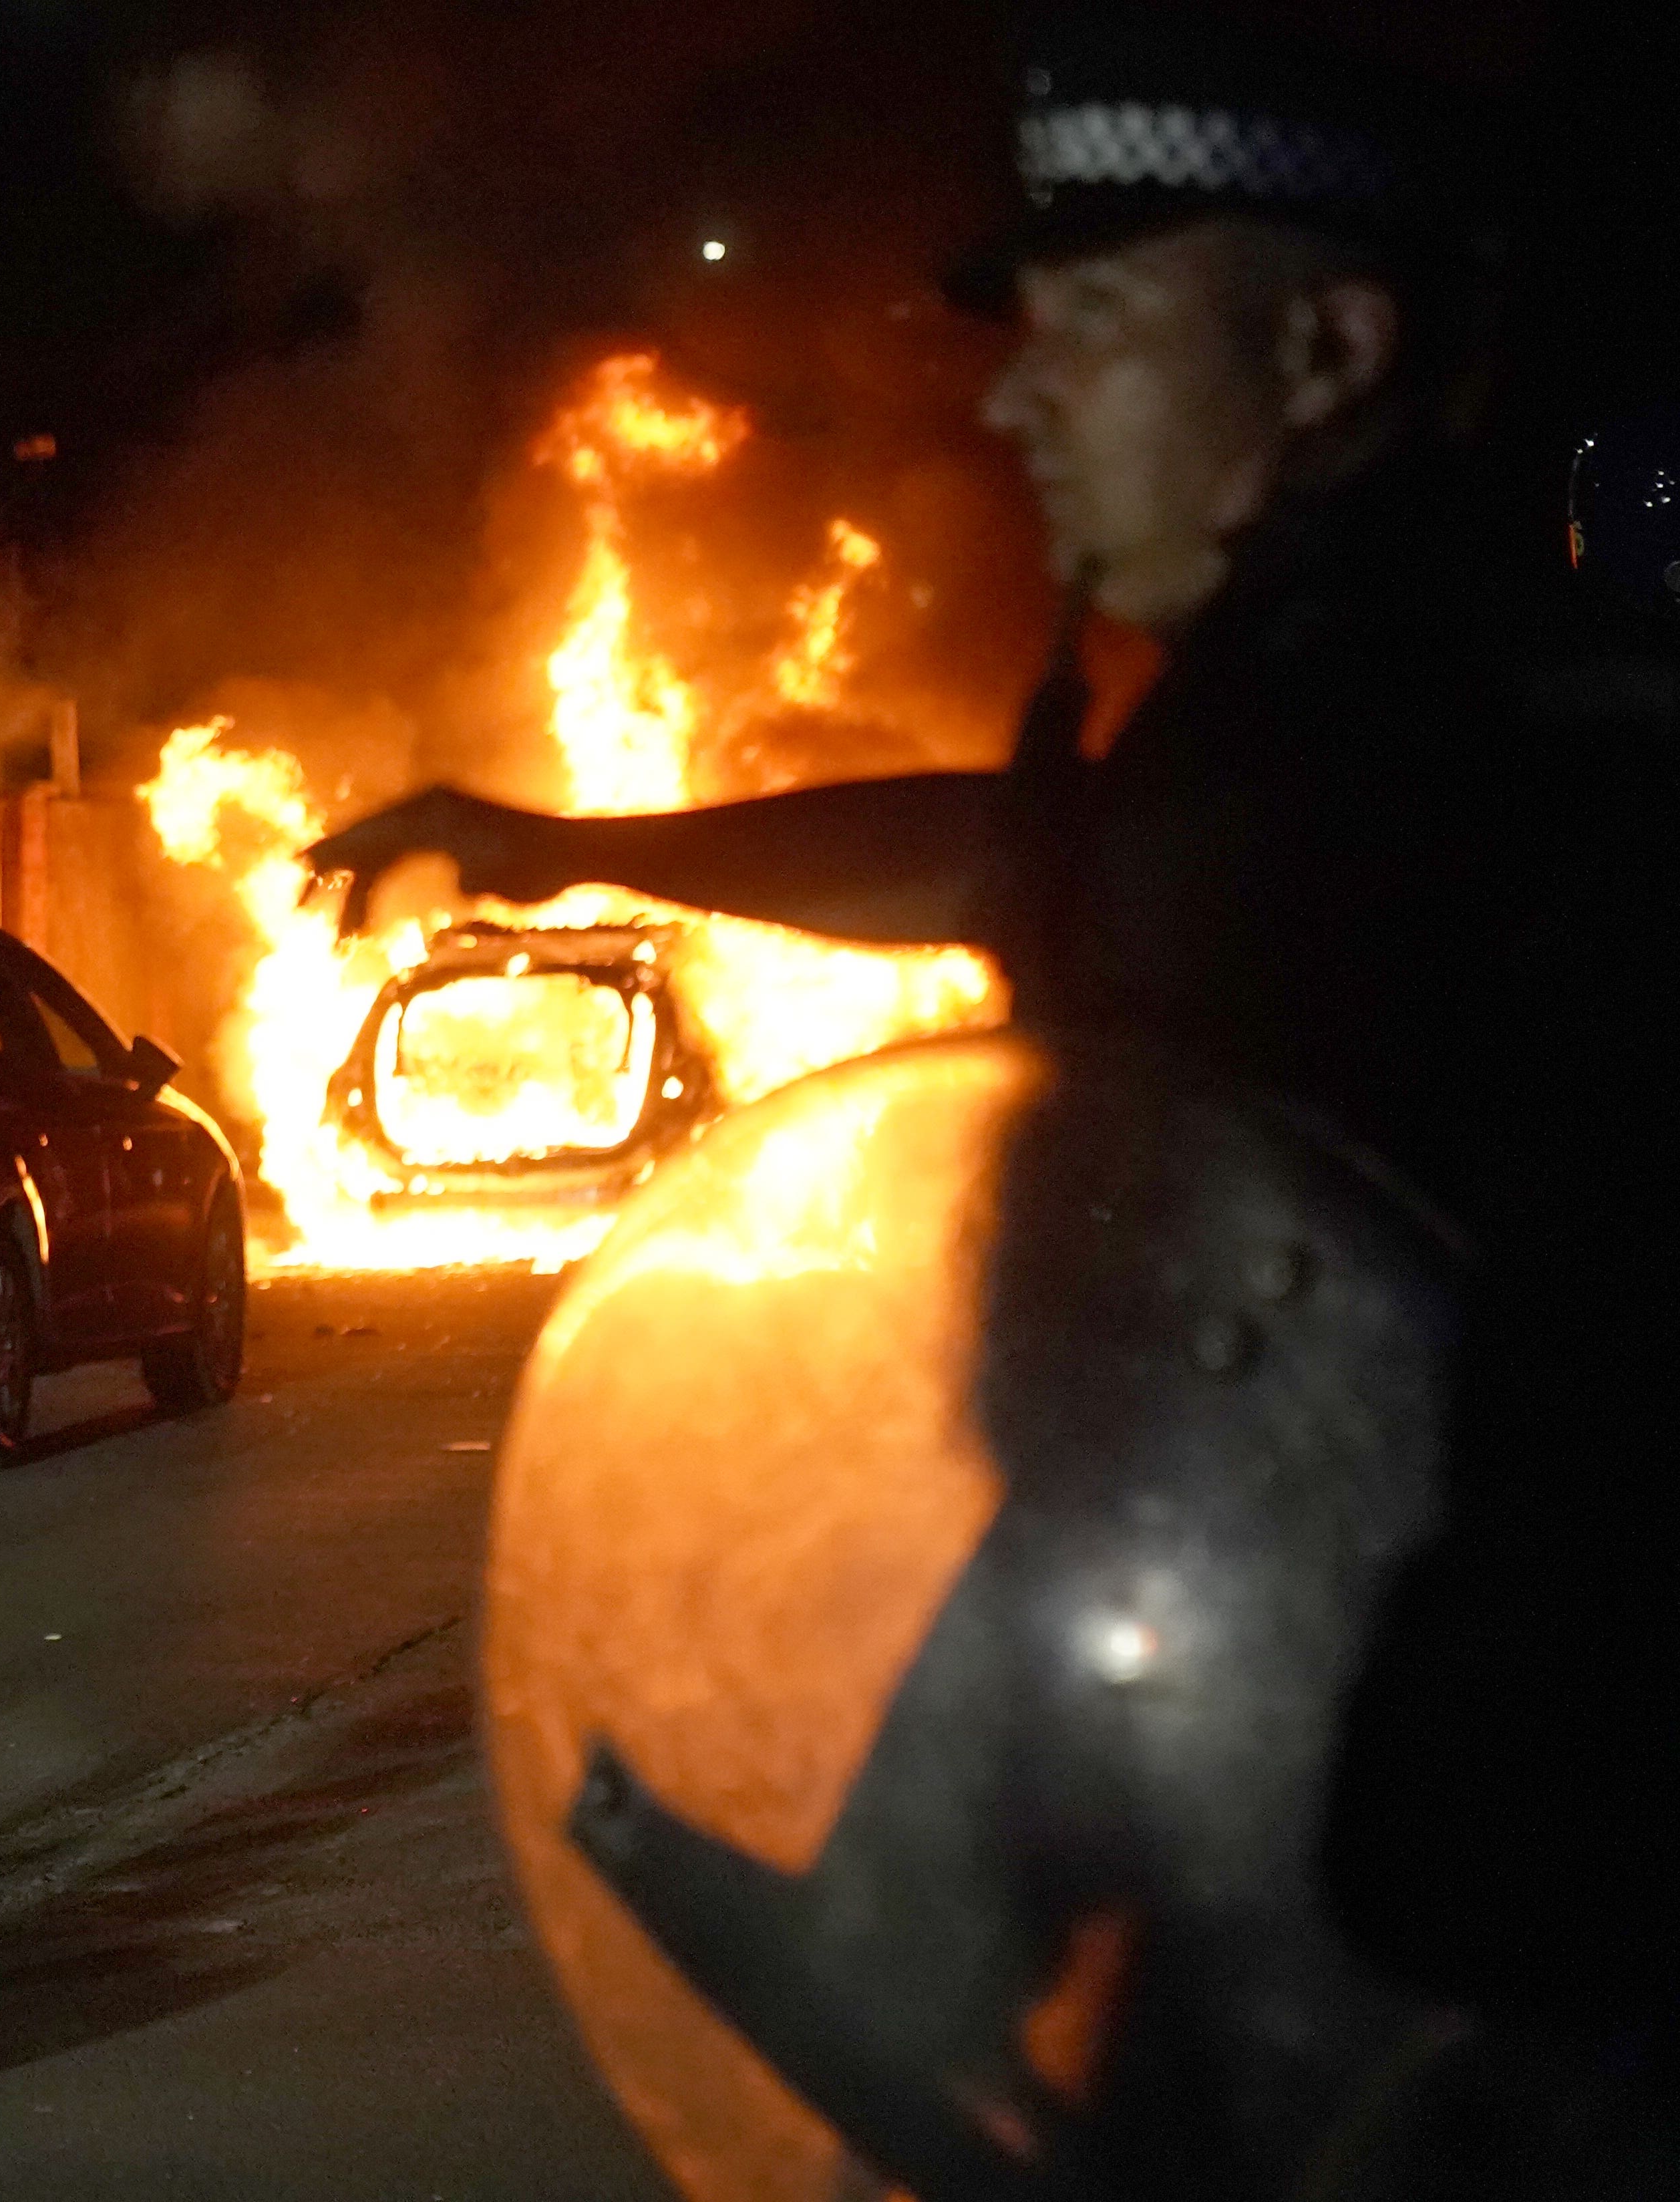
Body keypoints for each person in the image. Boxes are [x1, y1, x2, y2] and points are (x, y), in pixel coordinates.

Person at [321, 3, 1678, 2173]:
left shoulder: (1488, 788)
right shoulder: (1284, 715)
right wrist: (569, 842)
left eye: (1101, 320)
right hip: (1272, 1865)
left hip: (1459, 1965)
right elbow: (1000, 855)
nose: (1022, 392)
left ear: (1327, 355)